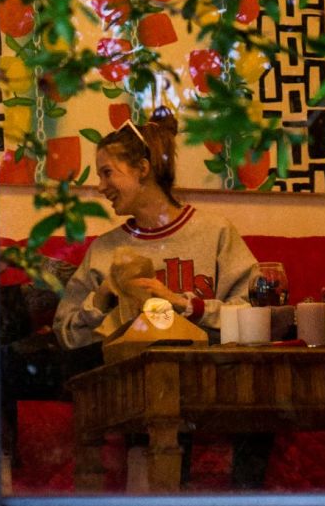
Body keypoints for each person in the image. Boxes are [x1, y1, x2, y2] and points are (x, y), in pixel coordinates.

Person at [53, 110, 257, 349]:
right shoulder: (103, 249)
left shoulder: (216, 232)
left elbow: (254, 313)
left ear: (142, 168)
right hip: (126, 379)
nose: (100, 187)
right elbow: (64, 335)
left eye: (107, 173)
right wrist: (101, 299)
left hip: (207, 373)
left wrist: (182, 304)